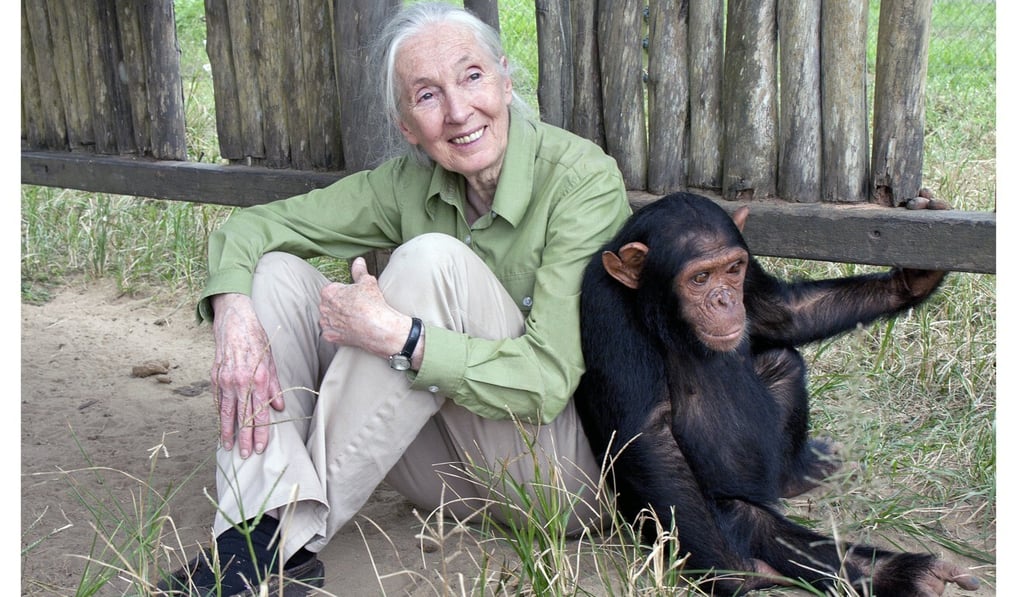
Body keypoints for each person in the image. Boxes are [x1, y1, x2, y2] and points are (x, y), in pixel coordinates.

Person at [159, 2, 632, 595]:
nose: (459, 111)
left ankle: (275, 541)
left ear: (506, 81)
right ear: (406, 124)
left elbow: (546, 384)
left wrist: (403, 338)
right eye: (427, 95)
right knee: (271, 275)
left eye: (473, 76)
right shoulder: (407, 183)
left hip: (559, 480)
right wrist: (232, 311)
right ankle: (254, 527)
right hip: (449, 480)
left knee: (430, 261)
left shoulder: (580, 179)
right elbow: (251, 230)